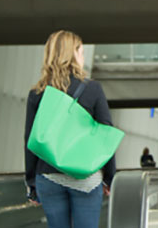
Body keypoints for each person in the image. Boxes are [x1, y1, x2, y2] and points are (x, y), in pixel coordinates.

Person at [25, 30, 115, 228]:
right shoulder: (92, 89)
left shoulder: (38, 93)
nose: (82, 57)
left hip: (48, 176)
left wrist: (31, 182)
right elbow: (105, 134)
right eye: (81, 52)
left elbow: (31, 140)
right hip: (85, 177)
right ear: (73, 54)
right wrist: (109, 177)